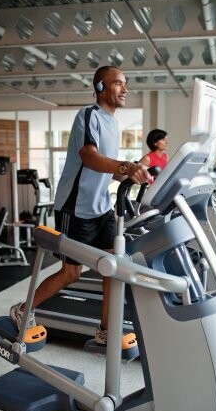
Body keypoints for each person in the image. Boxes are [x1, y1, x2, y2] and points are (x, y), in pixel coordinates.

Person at [10, 65, 151, 348]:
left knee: (114, 264)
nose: (125, 89)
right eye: (119, 84)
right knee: (71, 273)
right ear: (100, 87)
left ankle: (105, 329)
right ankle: (23, 309)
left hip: (102, 208)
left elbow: (109, 171)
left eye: (126, 84)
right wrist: (126, 165)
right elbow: (89, 156)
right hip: (75, 209)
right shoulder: (89, 115)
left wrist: (138, 173)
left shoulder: (114, 123)